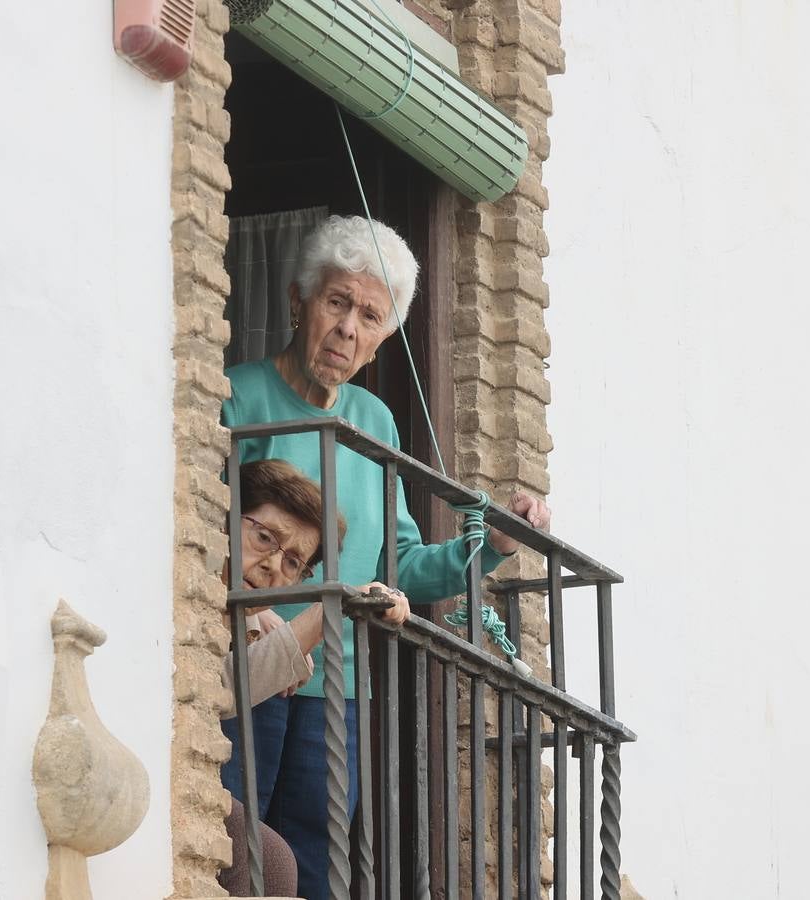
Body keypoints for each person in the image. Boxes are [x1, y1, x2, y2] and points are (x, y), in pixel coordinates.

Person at [220, 215, 552, 900]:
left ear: (381, 341)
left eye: (370, 316)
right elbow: (202, 533)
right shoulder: (239, 395)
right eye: (336, 301)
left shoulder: (374, 422)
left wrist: (490, 544)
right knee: (231, 857)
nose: (348, 327)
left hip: (337, 684)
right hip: (244, 672)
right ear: (296, 302)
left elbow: (400, 561)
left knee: (313, 869)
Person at [217, 458, 409, 896]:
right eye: (264, 537)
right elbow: (223, 689)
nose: (271, 567)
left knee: (274, 860)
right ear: (225, 516)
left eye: (294, 564)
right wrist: (327, 611)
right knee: (263, 859)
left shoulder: (240, 620)